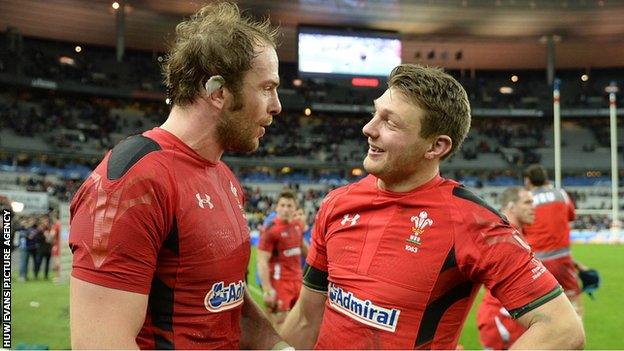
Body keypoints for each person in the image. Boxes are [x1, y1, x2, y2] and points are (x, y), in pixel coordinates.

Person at [280, 64, 584, 349]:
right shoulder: (337, 203)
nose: (368, 129)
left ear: (436, 146)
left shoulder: (473, 221)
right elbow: (307, 318)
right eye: (375, 114)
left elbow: (562, 328)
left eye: (390, 121)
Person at [68, 2, 288, 349]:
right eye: (266, 88)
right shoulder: (133, 180)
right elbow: (101, 343)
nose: (277, 105)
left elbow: (225, 302)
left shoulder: (225, 178)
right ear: (217, 92)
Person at [476, 187, 535, 350]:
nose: (533, 207)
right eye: (527, 202)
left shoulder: (517, 234)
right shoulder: (499, 235)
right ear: (511, 206)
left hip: (517, 320)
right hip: (501, 323)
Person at [522, 164, 584, 316]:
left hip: (535, 261)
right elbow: (571, 216)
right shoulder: (561, 194)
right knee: (572, 299)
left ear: (528, 181)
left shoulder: (525, 200)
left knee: (538, 307)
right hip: (561, 259)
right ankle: (574, 334)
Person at [257, 190, 307, 326]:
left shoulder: (298, 226)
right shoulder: (271, 230)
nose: (285, 209)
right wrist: (267, 289)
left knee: (299, 322)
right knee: (280, 321)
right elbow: (262, 261)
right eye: (282, 205)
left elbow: (303, 248)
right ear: (277, 207)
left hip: (298, 280)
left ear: (295, 208)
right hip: (280, 282)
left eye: (289, 206)